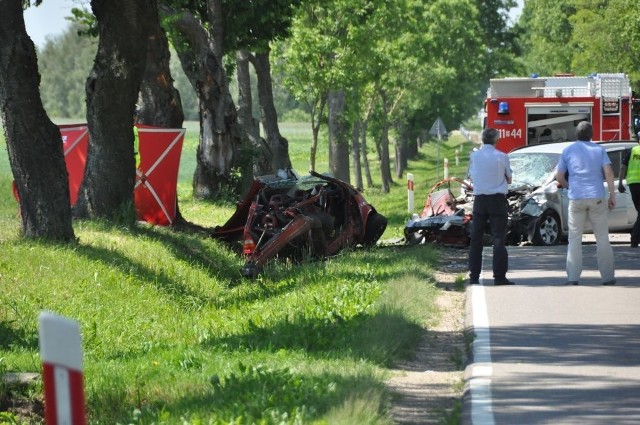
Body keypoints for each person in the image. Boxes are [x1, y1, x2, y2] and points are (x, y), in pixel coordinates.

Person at [555, 121, 616, 285]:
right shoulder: (599, 150)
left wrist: (569, 187)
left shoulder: (568, 151)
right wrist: (612, 195)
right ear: (592, 134)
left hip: (576, 198)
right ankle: (608, 277)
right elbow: (609, 173)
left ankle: (573, 277)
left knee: (574, 238)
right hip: (596, 197)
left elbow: (559, 176)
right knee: (602, 237)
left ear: (576, 134)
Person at [468, 128, 514, 285]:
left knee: (476, 238)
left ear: (482, 139)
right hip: (497, 200)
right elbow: (509, 179)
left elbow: (471, 176)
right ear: (496, 140)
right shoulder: (502, 156)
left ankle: (474, 276)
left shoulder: (474, 156)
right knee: (499, 238)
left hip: (480, 200)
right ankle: (499, 276)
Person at [617, 132, 640, 248]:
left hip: (634, 185)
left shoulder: (632, 151)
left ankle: (635, 238)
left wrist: (620, 183)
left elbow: (622, 167)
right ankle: (635, 238)